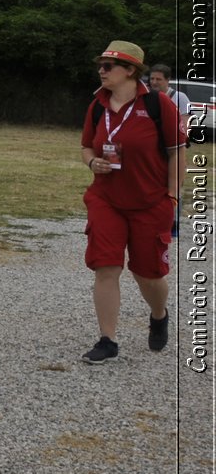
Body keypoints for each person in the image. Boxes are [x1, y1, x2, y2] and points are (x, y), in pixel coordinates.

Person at [80, 40, 184, 364]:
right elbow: (86, 146)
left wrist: (173, 196)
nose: (102, 70)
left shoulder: (158, 105)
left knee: (148, 274)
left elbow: (177, 150)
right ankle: (107, 340)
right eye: (101, 65)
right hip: (106, 199)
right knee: (105, 266)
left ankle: (158, 314)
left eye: (109, 66)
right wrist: (91, 162)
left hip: (150, 202)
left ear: (130, 71)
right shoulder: (97, 105)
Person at [148, 63, 191, 239]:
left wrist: (178, 143)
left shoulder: (179, 98)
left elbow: (185, 124)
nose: (154, 82)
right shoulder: (146, 97)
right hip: (151, 150)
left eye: (158, 79)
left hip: (173, 148)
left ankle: (173, 223)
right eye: (152, 78)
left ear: (168, 80)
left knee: (174, 185)